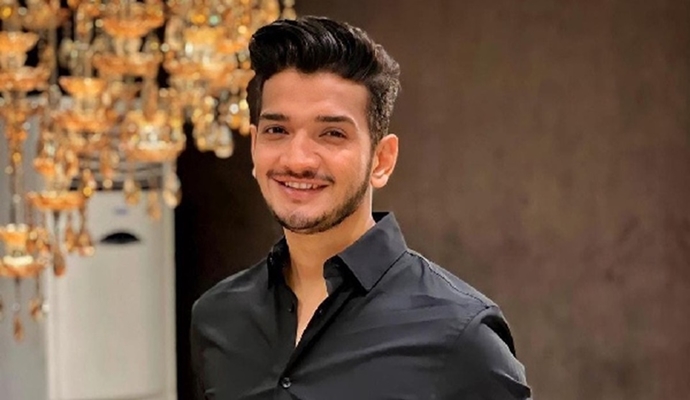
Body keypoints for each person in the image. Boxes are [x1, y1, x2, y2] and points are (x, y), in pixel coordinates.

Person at [190, 16, 531, 400]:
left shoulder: (460, 337)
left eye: (332, 133)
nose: (298, 159)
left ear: (382, 160)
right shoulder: (217, 318)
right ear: (254, 147)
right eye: (277, 130)